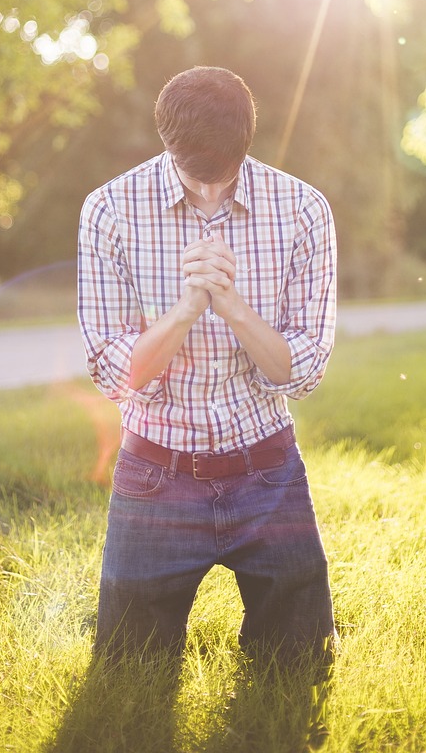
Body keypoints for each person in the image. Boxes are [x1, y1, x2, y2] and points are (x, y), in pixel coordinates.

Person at [77, 65, 337, 672]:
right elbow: (117, 375)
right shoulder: (110, 209)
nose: (213, 191)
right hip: (155, 476)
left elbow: (301, 374)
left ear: (249, 138)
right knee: (128, 673)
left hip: (269, 472)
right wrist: (188, 309)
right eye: (197, 172)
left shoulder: (302, 209)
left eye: (226, 172)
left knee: (299, 669)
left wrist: (234, 307)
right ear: (166, 141)